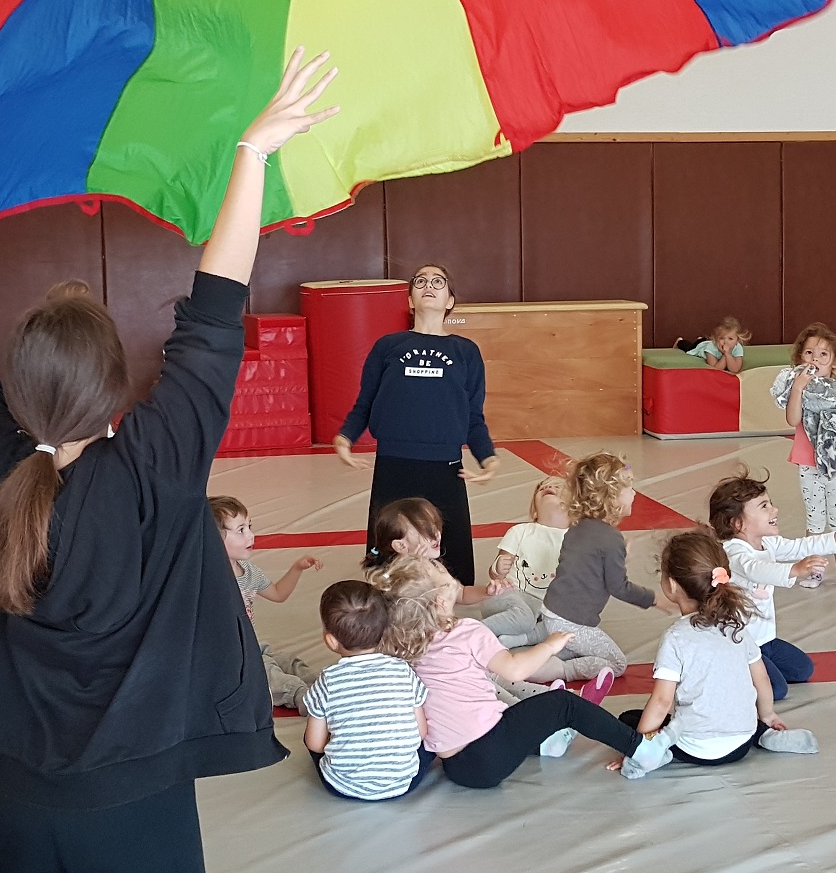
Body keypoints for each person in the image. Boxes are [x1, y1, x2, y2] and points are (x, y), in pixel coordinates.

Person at [0, 51, 337, 873]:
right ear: (114, 384)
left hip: (18, 809)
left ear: (21, 393)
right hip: (133, 813)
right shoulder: (152, 471)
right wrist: (252, 154)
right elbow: (214, 312)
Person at [374, 557, 667, 789]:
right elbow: (515, 669)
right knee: (562, 704)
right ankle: (640, 749)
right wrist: (550, 646)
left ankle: (545, 744)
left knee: (500, 705)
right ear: (440, 601)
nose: (444, 567)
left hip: (455, 767)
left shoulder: (404, 646)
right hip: (487, 757)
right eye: (441, 571)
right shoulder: (466, 632)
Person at [334, 263, 498, 586]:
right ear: (410, 300)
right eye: (420, 281)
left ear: (450, 300)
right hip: (394, 465)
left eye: (438, 282)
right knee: (388, 562)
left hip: (445, 468)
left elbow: (473, 416)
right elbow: (364, 404)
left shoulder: (466, 352)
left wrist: (488, 456)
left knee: (451, 566)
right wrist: (344, 438)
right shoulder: (388, 346)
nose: (429, 285)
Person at [610, 532, 819, 779]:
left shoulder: (676, 637)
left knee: (628, 720)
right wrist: (768, 715)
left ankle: (656, 753)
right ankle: (766, 734)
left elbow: (662, 702)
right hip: (742, 741)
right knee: (735, 713)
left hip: (697, 749)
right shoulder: (736, 625)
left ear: (672, 585)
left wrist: (638, 749)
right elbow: (761, 679)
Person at [704, 468, 836, 699]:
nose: (774, 510)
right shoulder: (734, 552)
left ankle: (757, 666)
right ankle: (727, 669)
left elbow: (800, 546)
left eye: (770, 503)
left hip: (764, 639)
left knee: (803, 669)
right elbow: (758, 570)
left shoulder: (768, 543)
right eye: (764, 506)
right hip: (740, 642)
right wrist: (795, 570)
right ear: (738, 523)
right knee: (776, 691)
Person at [539, 452, 667, 698]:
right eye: (629, 487)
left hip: (552, 612)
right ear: (611, 497)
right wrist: (654, 599)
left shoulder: (578, 528)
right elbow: (619, 587)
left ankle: (550, 650)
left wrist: (619, 557)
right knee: (617, 664)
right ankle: (562, 669)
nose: (635, 493)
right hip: (570, 623)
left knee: (574, 644)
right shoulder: (610, 538)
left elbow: (584, 563)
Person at [302, 581, 435, 802]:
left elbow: (315, 744)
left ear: (330, 640)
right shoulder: (402, 669)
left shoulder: (329, 680)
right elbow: (421, 732)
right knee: (428, 746)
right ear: (384, 632)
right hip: (403, 782)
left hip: (343, 785)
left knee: (311, 732)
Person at [773, 325, 836, 592]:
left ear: (835, 362)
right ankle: (815, 570)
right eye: (809, 353)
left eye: (823, 355)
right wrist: (797, 388)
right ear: (800, 359)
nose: (815, 360)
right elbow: (792, 419)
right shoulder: (801, 391)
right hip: (808, 464)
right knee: (815, 521)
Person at [212, 495, 322, 711]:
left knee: (289, 662)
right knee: (269, 674)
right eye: (241, 530)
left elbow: (278, 593)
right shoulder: (209, 579)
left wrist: (296, 568)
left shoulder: (248, 571)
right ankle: (305, 699)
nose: (251, 535)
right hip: (231, 657)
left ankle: (325, 686)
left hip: (252, 646)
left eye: (249, 526)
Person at [478, 476, 571, 647]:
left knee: (564, 630)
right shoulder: (520, 531)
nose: (548, 486)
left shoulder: (575, 539)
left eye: (558, 487)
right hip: (509, 596)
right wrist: (497, 569)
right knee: (525, 618)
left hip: (544, 610)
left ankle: (513, 640)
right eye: (542, 487)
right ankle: (472, 632)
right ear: (535, 511)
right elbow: (496, 574)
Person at [676, 316, 750, 373]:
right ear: (716, 339)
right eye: (722, 338)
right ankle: (679, 341)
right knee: (688, 346)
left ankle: (701, 339)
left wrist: (727, 354)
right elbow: (717, 369)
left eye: (730, 339)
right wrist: (725, 354)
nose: (725, 342)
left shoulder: (738, 347)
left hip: (708, 341)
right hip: (700, 346)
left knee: (704, 340)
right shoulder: (710, 348)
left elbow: (735, 369)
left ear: (737, 340)